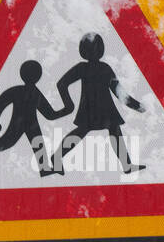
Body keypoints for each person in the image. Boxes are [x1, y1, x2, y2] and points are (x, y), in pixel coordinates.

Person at [51, 32, 145, 175]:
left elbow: (61, 84)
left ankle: (56, 158)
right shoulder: (103, 68)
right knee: (107, 132)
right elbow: (119, 92)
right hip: (104, 109)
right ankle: (56, 158)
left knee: (95, 132)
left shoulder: (84, 67)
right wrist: (136, 106)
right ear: (101, 49)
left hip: (91, 109)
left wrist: (68, 104)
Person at [0, 60, 66, 177]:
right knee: (9, 142)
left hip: (30, 123)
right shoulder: (23, 91)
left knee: (36, 143)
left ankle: (44, 168)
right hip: (20, 122)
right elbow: (0, 104)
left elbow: (49, 113)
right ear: (38, 76)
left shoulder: (31, 92)